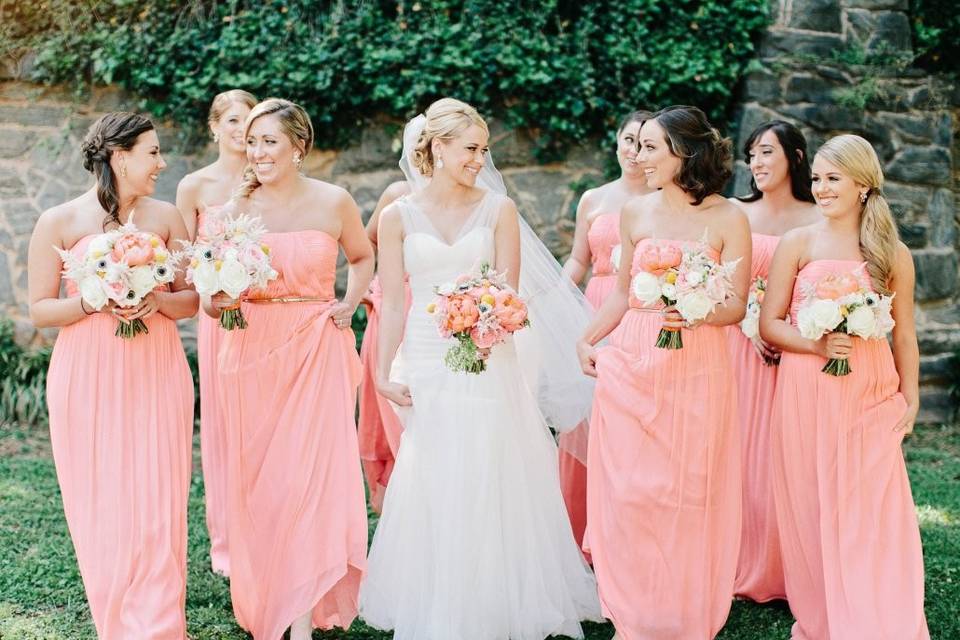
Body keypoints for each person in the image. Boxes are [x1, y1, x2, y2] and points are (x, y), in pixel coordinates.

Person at [359, 98, 601, 640]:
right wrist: (380, 370)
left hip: (487, 356)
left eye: (483, 149)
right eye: (470, 148)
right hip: (421, 357)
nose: (479, 158)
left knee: (488, 465)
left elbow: (508, 294)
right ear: (437, 147)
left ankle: (494, 603)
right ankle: (439, 599)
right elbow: (394, 301)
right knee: (435, 471)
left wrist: (486, 325)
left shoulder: (499, 210)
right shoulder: (398, 215)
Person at [577, 105, 750, 639]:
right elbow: (626, 293)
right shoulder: (636, 214)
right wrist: (587, 337)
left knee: (689, 486)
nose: (639, 156)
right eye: (637, 145)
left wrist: (696, 308)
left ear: (684, 151)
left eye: (650, 147)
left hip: (696, 364)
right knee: (632, 489)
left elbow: (738, 306)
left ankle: (682, 604)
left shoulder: (728, 217)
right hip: (632, 360)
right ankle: (635, 606)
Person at [209, 98, 373, 640]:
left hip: (315, 349)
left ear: (298, 147)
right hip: (251, 352)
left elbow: (362, 256)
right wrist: (224, 297)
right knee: (262, 484)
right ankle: (267, 596)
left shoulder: (334, 201)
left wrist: (350, 304)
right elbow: (212, 301)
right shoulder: (233, 213)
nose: (255, 153)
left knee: (308, 477)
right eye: (251, 142)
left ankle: (300, 616)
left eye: (268, 142)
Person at [28, 112, 197, 639]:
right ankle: (118, 621)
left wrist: (157, 301)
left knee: (159, 493)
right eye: (152, 152)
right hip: (89, 373)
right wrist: (93, 298)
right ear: (119, 157)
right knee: (100, 495)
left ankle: (161, 625)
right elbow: (38, 310)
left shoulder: (167, 216)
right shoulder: (57, 221)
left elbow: (192, 298)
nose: (161, 162)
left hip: (156, 366)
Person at [761, 133, 928, 639]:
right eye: (816, 178)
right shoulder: (798, 243)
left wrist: (912, 397)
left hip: (870, 392)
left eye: (833, 178)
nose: (822, 188)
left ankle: (879, 618)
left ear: (862, 184)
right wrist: (814, 346)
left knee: (871, 506)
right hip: (807, 390)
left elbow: (905, 333)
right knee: (812, 503)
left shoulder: (892, 253)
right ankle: (823, 618)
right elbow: (770, 324)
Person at [727, 120, 819, 602]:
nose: (756, 163)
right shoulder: (735, 213)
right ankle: (737, 559)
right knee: (740, 453)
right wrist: (752, 325)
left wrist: (793, 330)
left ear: (796, 158)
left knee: (789, 457)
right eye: (751, 155)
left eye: (766, 152)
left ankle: (790, 566)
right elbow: (720, 282)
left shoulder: (818, 216)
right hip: (740, 353)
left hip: (797, 356)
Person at [558, 110, 653, 553]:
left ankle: (624, 535)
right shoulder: (593, 199)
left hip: (639, 312)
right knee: (587, 418)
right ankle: (580, 532)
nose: (634, 152)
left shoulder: (660, 200)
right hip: (593, 309)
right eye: (627, 140)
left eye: (644, 143)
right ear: (616, 143)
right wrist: (557, 298)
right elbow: (579, 258)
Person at [175, 88, 257, 576]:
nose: (241, 130)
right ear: (214, 127)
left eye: (249, 122)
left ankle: (263, 526)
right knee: (225, 427)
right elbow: (184, 263)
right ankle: (226, 541)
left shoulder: (268, 179)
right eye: (231, 120)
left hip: (264, 314)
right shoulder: (195, 186)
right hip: (218, 321)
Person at [357, 179, 410, 513]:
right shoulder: (397, 194)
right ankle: (400, 501)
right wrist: (375, 283)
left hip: (441, 306)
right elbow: (367, 239)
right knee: (391, 405)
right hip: (395, 302)